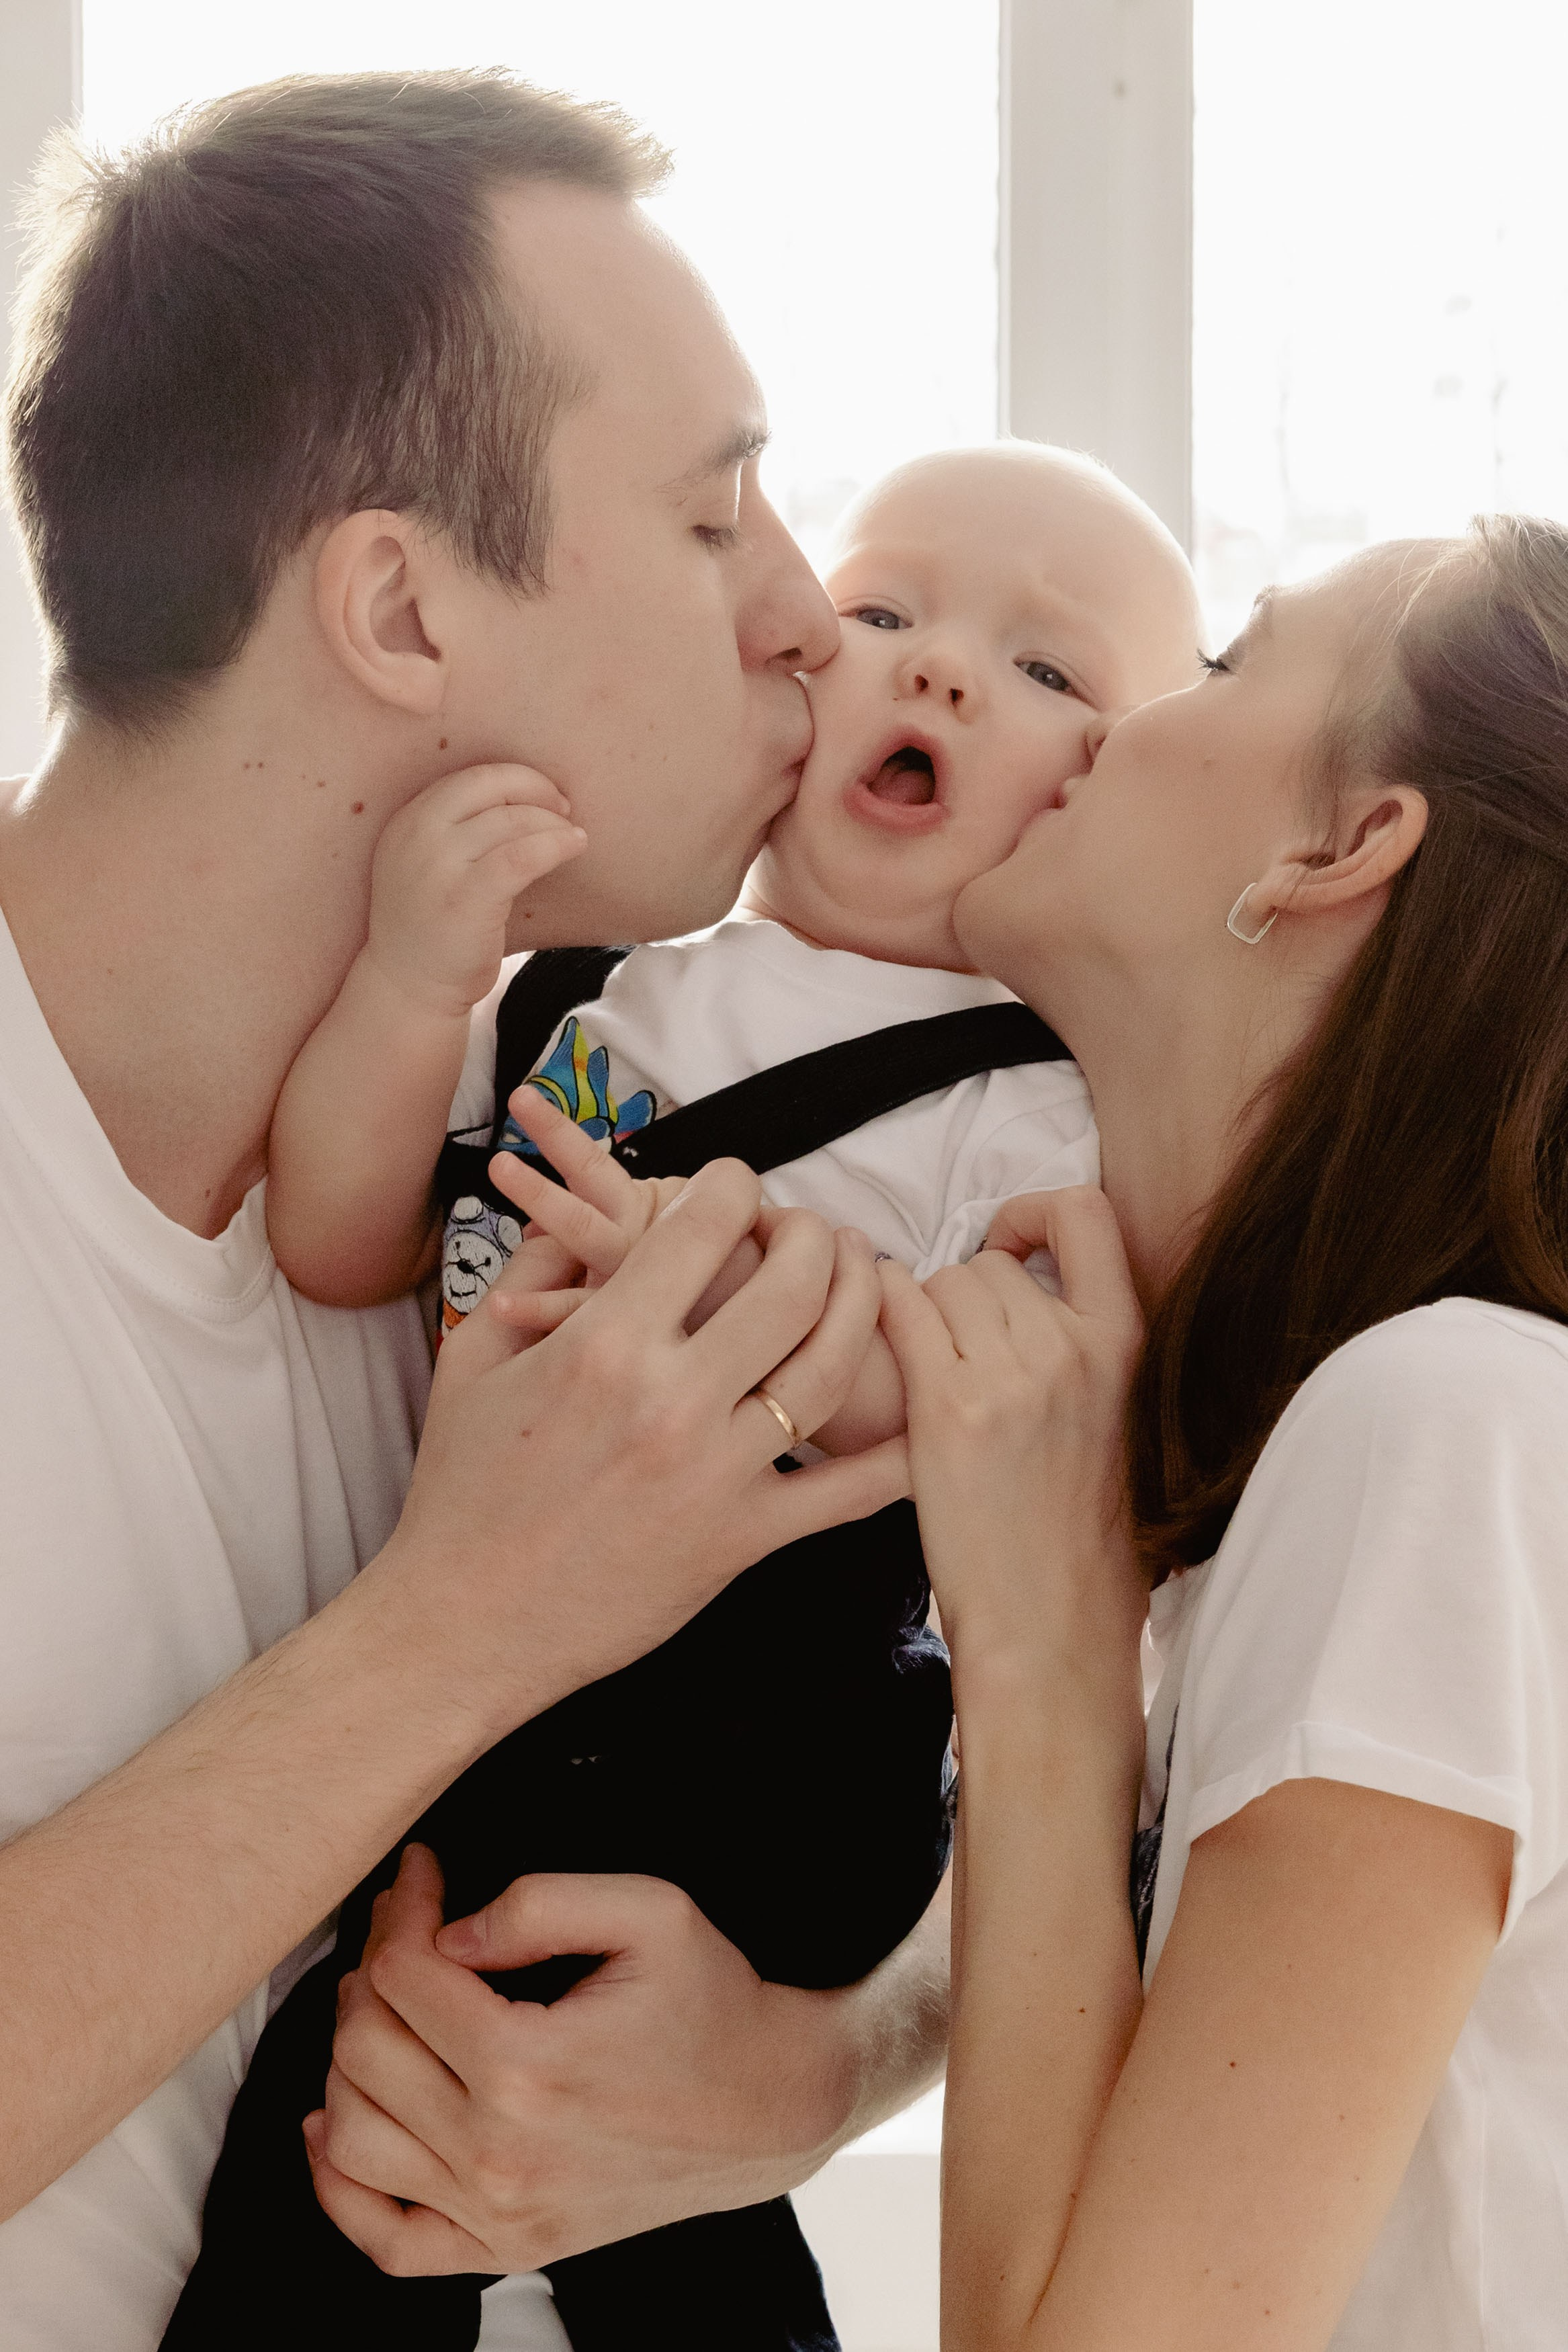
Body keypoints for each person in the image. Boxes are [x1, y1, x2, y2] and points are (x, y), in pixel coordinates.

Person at [0, 71, 947, 2352]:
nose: (815, 622)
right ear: (403, 610)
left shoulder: (576, 1111)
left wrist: (810, 2065)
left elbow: (1002, 1785)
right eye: (720, 515)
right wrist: (471, 1618)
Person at [161, 442, 1200, 2350]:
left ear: (1107, 800)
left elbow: (1006, 1417)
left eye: (1048, 671)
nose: (941, 672)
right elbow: (340, 1235)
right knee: (338, 2147)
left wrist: (737, 1295)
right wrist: (411, 982)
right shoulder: (588, 986)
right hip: (470, 1744)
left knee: (645, 2164)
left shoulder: (1025, 1101)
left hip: (769, 1749)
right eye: (883, 614)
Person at [872, 518, 1568, 2349]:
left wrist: (1039, 1662)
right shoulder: (1360, 1466)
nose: (1109, 720)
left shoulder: (1440, 1428)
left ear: (1342, 849)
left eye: (1226, 664)